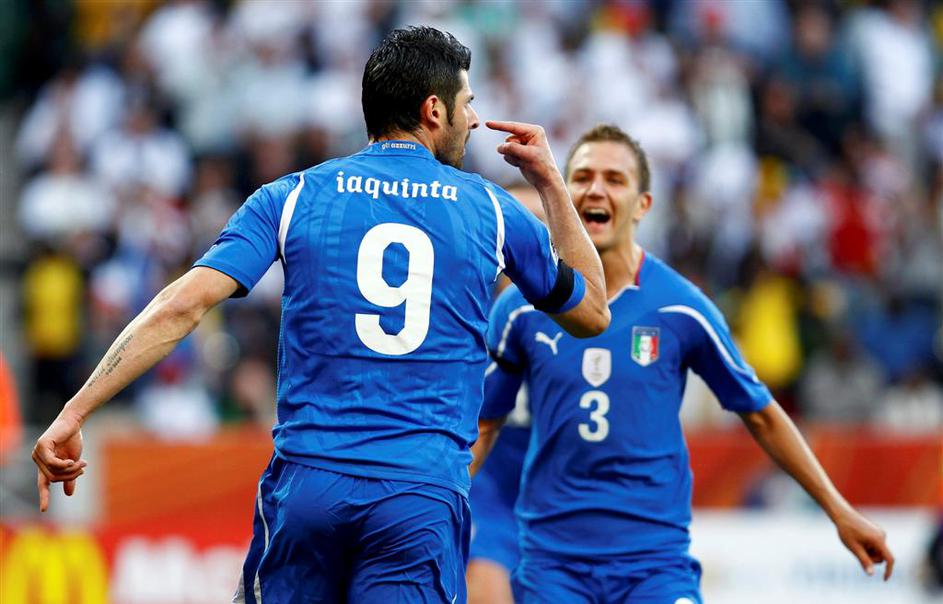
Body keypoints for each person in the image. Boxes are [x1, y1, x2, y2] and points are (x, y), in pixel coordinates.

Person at [31, 27, 610, 604]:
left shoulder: (293, 196)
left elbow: (181, 305)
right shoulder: (490, 208)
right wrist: (550, 183)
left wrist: (74, 411)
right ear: (434, 110)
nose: (474, 119)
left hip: (310, 487)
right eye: (468, 103)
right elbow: (591, 312)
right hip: (418, 497)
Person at [473, 124, 894, 603]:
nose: (596, 189)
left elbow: (761, 414)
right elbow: (485, 425)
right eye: (583, 177)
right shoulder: (521, 309)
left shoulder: (681, 307)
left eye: (615, 179)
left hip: (654, 565)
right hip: (554, 565)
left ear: (643, 205)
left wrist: (840, 511)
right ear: (564, 198)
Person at [466, 184, 541, 604]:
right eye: (512, 229)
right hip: (486, 502)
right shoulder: (456, 321)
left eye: (538, 228)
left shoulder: (586, 326)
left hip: (561, 509)